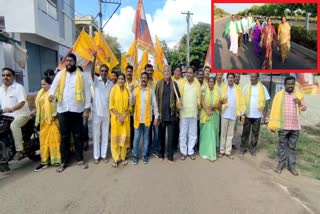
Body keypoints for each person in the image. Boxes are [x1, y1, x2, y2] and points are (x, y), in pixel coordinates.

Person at [49, 53, 91, 173]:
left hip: (77, 110)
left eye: (70, 61)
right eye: (66, 61)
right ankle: (64, 161)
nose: (68, 63)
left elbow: (87, 93)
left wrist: (87, 110)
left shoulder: (82, 76)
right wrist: (51, 95)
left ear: (75, 62)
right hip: (63, 110)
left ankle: (79, 159)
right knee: (64, 137)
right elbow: (53, 88)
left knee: (78, 136)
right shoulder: (60, 75)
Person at [268, 76, 306, 176]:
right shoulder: (279, 95)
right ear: (285, 84)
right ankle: (280, 164)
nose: (290, 86)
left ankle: (292, 167)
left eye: (292, 84)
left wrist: (300, 102)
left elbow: (304, 108)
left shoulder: (298, 95)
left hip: (295, 127)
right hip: (283, 126)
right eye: (288, 84)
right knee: (282, 146)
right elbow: (274, 110)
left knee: (292, 147)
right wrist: (273, 125)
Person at [30, 77, 61, 171]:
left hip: (52, 121)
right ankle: (44, 161)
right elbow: (39, 106)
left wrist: (54, 115)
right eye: (42, 84)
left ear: (50, 84)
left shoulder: (53, 92)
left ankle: (56, 160)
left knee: (54, 141)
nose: (42, 86)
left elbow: (57, 104)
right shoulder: (41, 93)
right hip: (43, 122)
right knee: (44, 142)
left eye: (44, 84)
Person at [0, 67, 30, 160]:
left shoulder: (18, 88)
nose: (6, 77)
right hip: (6, 116)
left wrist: (12, 109)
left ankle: (20, 150)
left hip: (21, 115)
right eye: (4, 75)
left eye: (8, 75)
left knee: (14, 126)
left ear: (13, 77)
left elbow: (22, 102)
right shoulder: (1, 89)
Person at [130, 72, 159, 165]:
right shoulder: (135, 90)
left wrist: (156, 117)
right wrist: (131, 93)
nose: (143, 79)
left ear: (148, 80)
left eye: (145, 78)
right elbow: (131, 103)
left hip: (147, 119)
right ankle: (135, 155)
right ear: (140, 79)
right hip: (138, 119)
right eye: (142, 77)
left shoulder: (151, 91)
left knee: (146, 138)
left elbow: (155, 105)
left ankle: (144, 155)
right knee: (136, 138)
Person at [240, 73, 270, 156]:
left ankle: (252, 149)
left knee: (255, 133)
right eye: (251, 77)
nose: (251, 79)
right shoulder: (246, 87)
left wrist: (265, 115)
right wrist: (242, 113)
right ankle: (243, 148)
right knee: (245, 133)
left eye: (253, 77)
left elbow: (267, 102)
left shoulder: (263, 88)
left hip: (257, 116)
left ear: (257, 78)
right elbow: (241, 100)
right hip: (247, 114)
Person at [155, 66, 180, 163]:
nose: (166, 73)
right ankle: (161, 154)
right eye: (165, 71)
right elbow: (156, 99)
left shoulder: (174, 84)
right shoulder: (159, 84)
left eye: (168, 71)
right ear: (163, 72)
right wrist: (156, 115)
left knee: (170, 137)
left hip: (171, 115)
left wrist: (179, 105)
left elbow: (178, 98)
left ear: (171, 72)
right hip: (162, 115)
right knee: (161, 136)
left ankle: (170, 157)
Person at [91, 63, 113, 164]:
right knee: (96, 135)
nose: (103, 73)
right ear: (100, 72)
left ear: (107, 72)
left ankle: (103, 155)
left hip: (106, 113)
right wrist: (94, 60)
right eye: (102, 71)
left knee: (105, 135)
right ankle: (96, 156)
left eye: (105, 71)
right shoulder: (96, 81)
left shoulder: (110, 83)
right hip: (96, 113)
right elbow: (91, 73)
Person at [179, 66, 201, 160]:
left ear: (194, 74)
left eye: (190, 73)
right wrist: (178, 104)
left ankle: (190, 151)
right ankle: (183, 152)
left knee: (193, 133)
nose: (188, 74)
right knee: (183, 134)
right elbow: (178, 98)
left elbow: (199, 98)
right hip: (184, 113)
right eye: (187, 73)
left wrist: (199, 111)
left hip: (193, 113)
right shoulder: (182, 84)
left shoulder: (197, 85)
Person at [219, 73, 242, 159]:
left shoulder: (238, 89)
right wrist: (221, 101)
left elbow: (240, 101)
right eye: (229, 78)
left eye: (232, 77)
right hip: (225, 113)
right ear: (227, 79)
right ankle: (221, 151)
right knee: (223, 134)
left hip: (233, 114)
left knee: (230, 134)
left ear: (234, 79)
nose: (231, 79)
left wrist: (241, 113)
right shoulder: (223, 88)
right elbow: (220, 100)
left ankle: (227, 151)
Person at [109, 73, 131, 167]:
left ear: (125, 80)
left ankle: (123, 157)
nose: (121, 80)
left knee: (124, 139)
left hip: (125, 119)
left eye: (122, 79)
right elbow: (111, 105)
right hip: (116, 119)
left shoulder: (127, 90)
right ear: (117, 80)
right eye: (119, 79)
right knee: (116, 139)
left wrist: (124, 116)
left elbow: (130, 106)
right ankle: (115, 158)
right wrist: (119, 116)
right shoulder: (113, 89)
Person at [200, 76, 220, 161]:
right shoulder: (204, 90)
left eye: (212, 82)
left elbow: (219, 104)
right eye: (210, 82)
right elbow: (202, 101)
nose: (211, 83)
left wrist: (213, 106)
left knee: (213, 133)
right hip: (206, 114)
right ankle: (206, 152)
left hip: (214, 114)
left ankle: (212, 151)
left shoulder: (217, 92)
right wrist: (207, 110)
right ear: (208, 83)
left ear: (214, 83)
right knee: (207, 134)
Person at [145, 64, 159, 157]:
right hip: (146, 113)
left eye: (151, 70)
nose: (149, 72)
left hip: (155, 112)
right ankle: (148, 149)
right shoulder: (142, 82)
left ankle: (155, 149)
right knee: (147, 133)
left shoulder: (157, 83)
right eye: (148, 70)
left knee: (157, 132)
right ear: (145, 71)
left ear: (153, 71)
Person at [125, 65, 138, 153]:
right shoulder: (122, 82)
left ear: (132, 72)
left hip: (133, 112)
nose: (129, 73)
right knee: (125, 130)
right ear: (125, 72)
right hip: (124, 112)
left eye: (130, 71)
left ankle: (132, 147)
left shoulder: (136, 84)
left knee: (132, 130)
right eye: (128, 71)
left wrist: (133, 90)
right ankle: (125, 147)